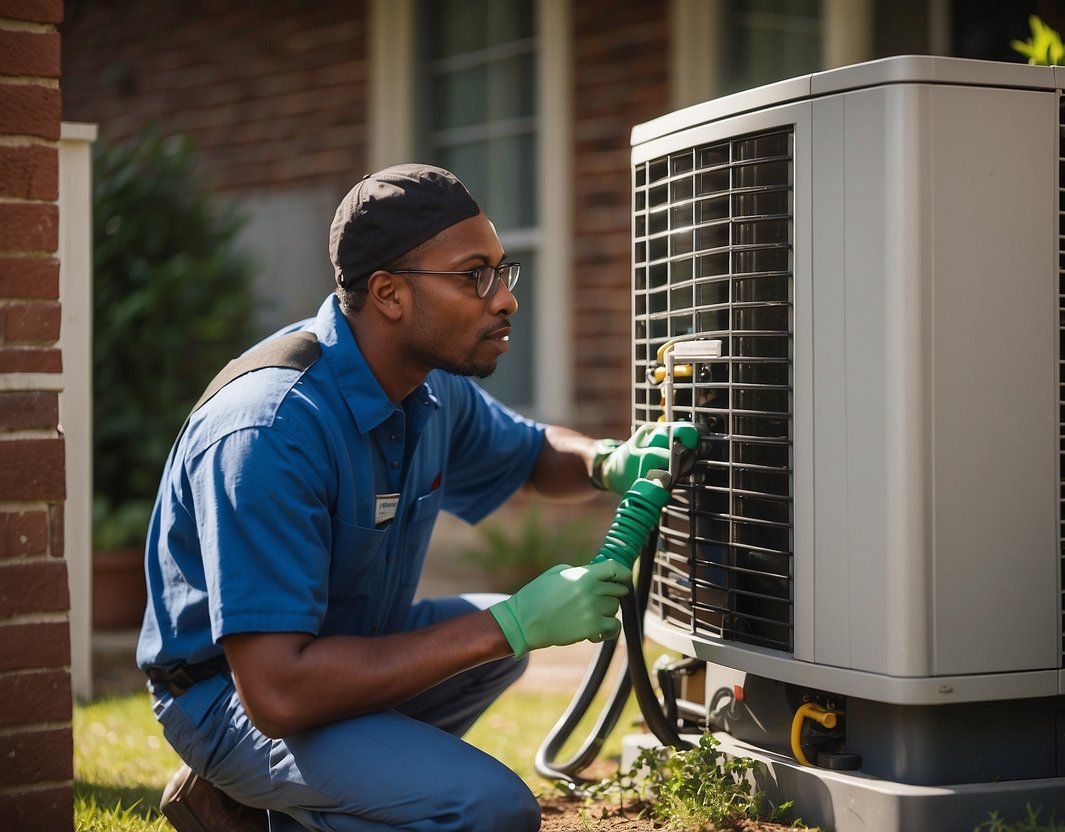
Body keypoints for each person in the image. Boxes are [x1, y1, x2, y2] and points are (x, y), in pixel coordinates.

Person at [137, 164, 695, 832]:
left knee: (493, 647)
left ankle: (265, 810)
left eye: (501, 270)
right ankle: (237, 786)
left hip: (338, 648)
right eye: (472, 276)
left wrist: (608, 460)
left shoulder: (427, 383)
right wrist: (513, 622)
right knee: (487, 808)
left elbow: (531, 455)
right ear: (390, 294)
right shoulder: (271, 429)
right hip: (231, 694)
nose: (505, 299)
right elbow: (277, 691)